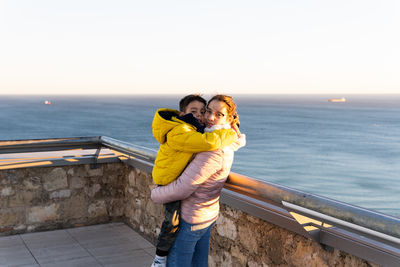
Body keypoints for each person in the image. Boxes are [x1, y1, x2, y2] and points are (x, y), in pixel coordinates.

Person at [151, 94, 245, 267]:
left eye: (219, 114)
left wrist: (156, 194)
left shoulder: (213, 149)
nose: (209, 117)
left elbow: (183, 188)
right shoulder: (215, 139)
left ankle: (159, 258)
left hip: (191, 218)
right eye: (208, 111)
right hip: (206, 215)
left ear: (229, 118)